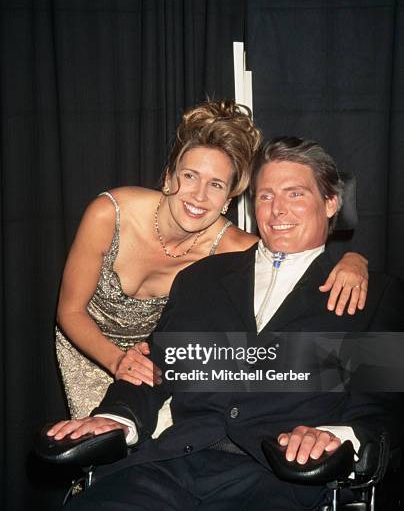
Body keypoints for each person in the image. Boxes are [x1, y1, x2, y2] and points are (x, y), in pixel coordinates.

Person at [45, 137, 403, 511]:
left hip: (278, 486)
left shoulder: (374, 295)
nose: (278, 209)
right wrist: (114, 418)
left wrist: (334, 437)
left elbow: (382, 414)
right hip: (175, 464)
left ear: (330, 203)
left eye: (295, 194)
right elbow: (152, 371)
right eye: (265, 196)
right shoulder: (201, 280)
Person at [55, 100, 367, 423]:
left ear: (228, 201)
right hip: (89, 350)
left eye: (216, 185)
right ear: (167, 178)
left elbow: (296, 253)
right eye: (190, 176)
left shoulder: (231, 246)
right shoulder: (110, 213)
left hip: (162, 363)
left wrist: (353, 260)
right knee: (97, 446)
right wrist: (118, 361)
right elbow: (70, 311)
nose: (199, 195)